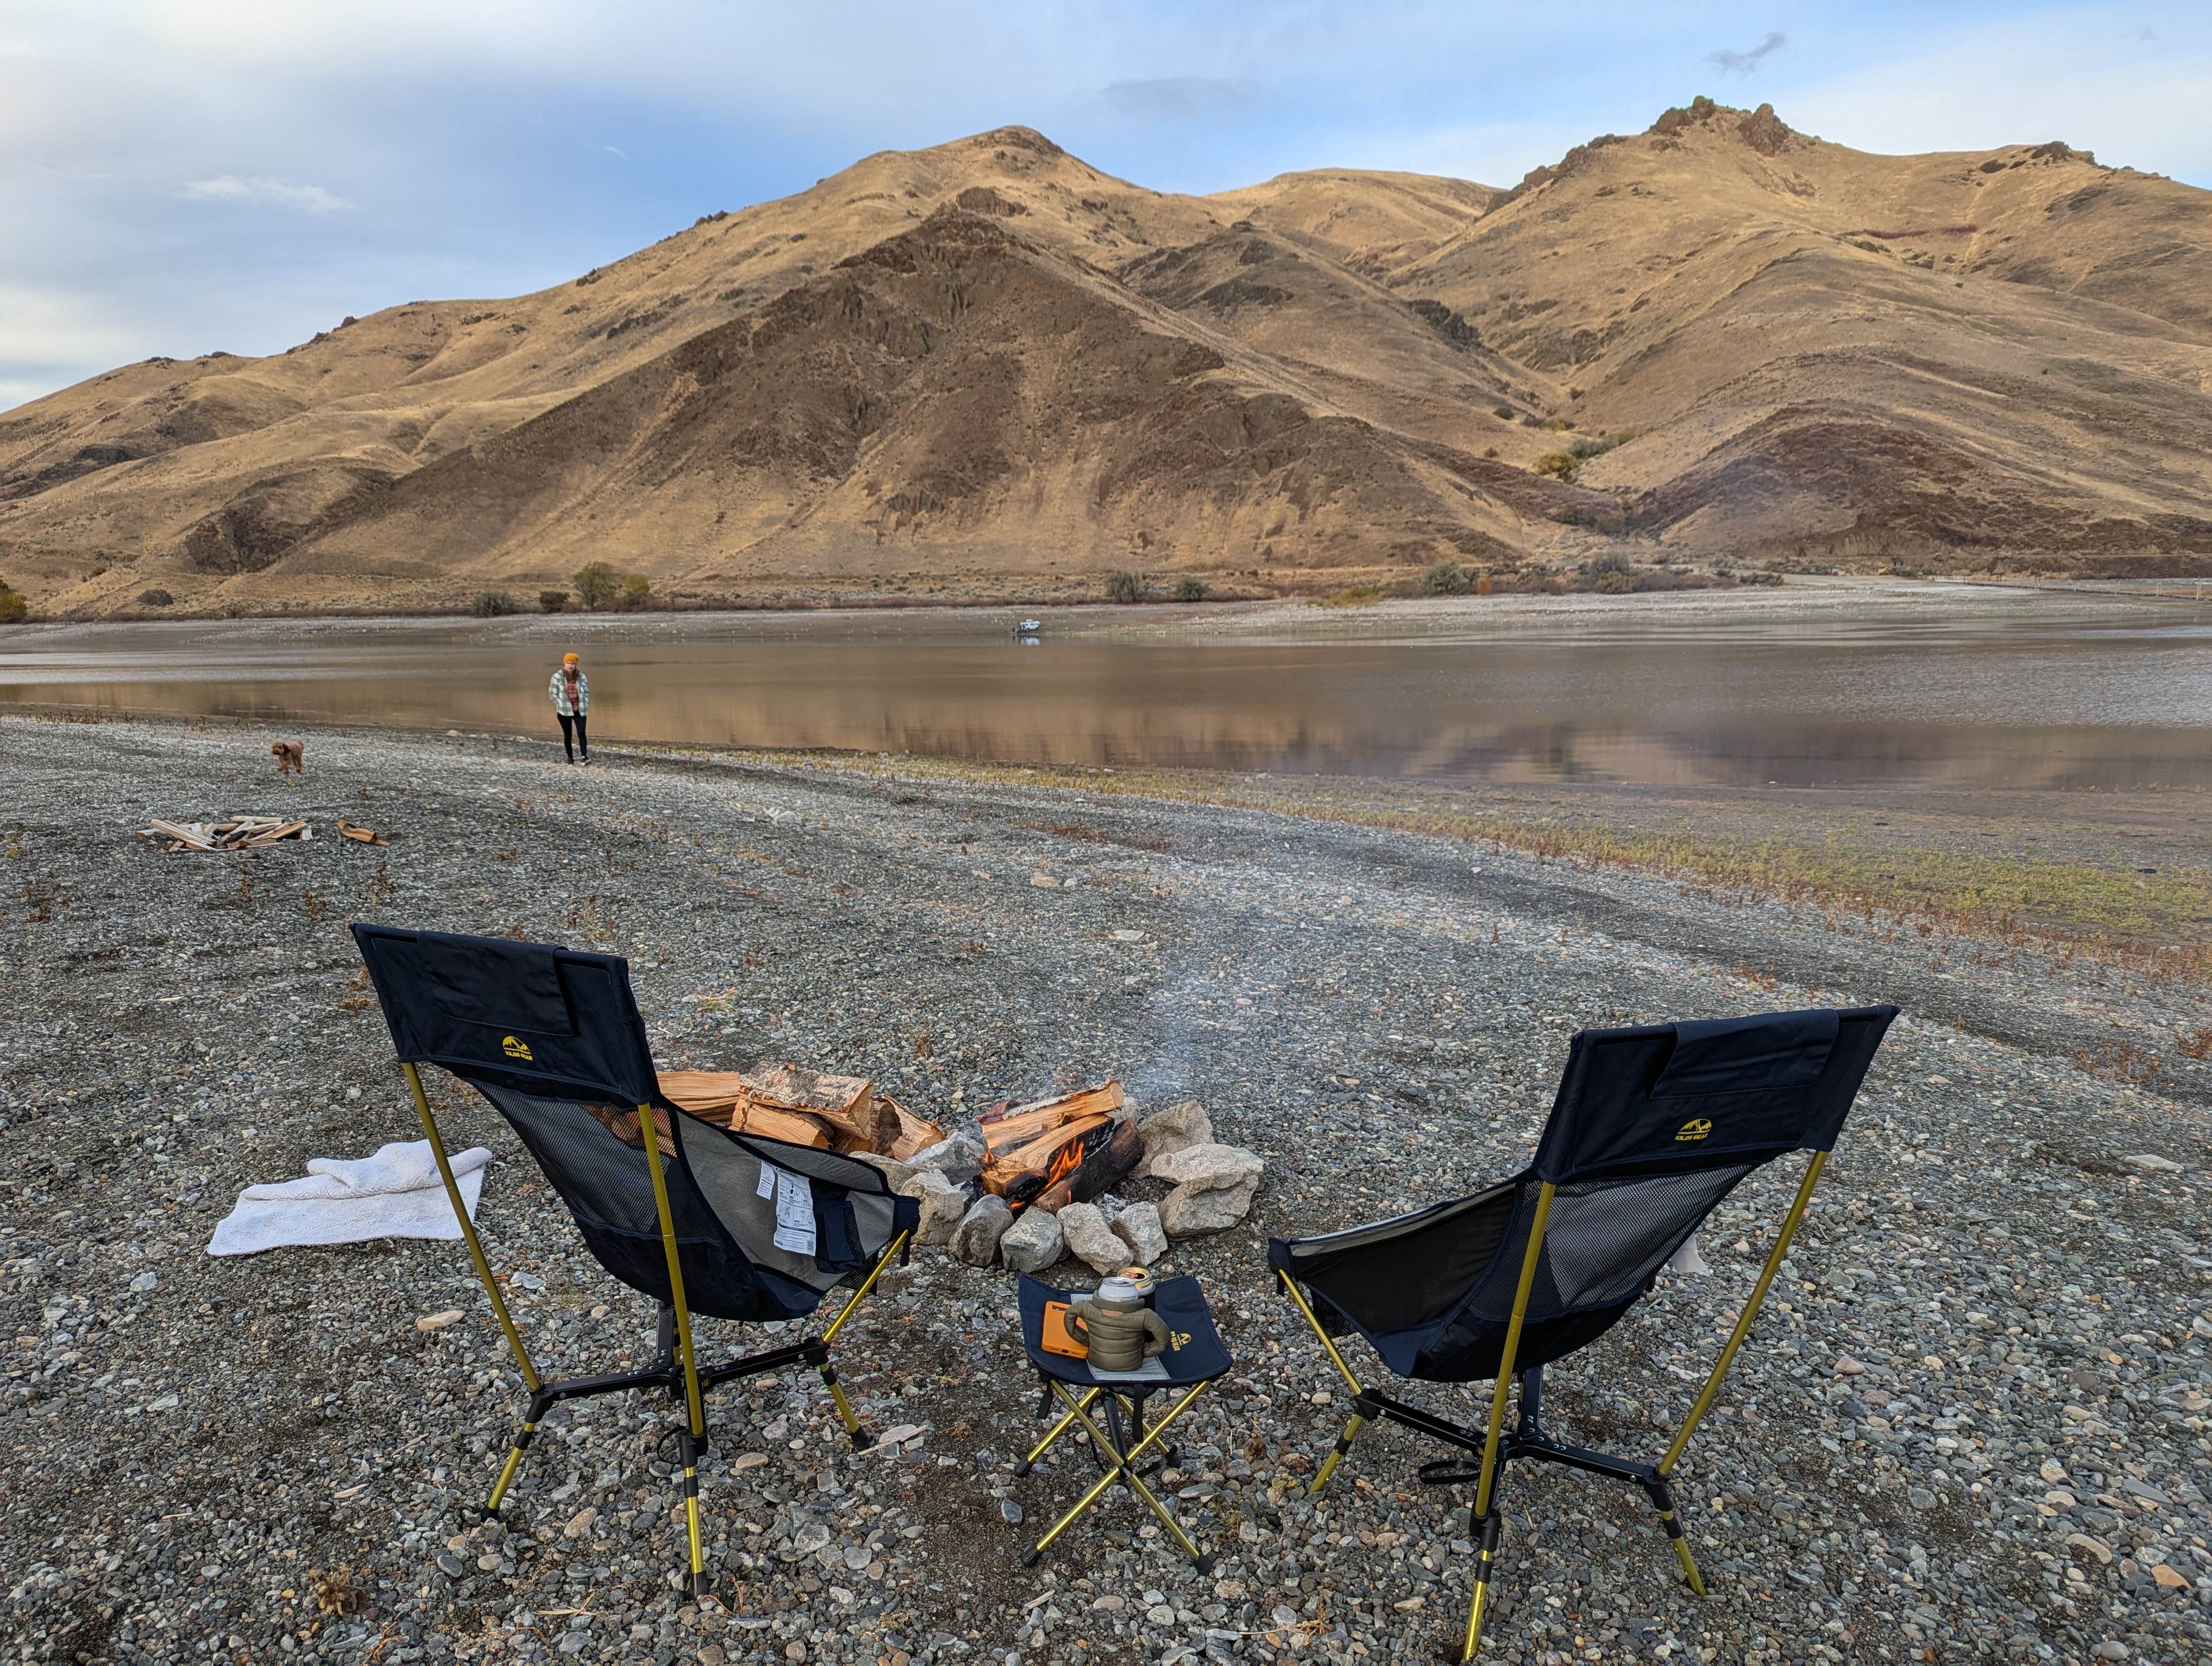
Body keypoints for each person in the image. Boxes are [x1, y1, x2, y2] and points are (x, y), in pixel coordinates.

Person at [549, 652, 590, 762]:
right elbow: (552, 693)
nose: (570, 666)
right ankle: (570, 757)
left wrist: (585, 703)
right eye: (568, 663)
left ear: (576, 665)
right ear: (565, 664)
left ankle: (584, 757)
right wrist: (560, 702)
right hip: (564, 711)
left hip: (579, 710)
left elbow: (586, 692)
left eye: (572, 663)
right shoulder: (557, 677)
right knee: (568, 735)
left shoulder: (582, 677)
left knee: (582, 732)